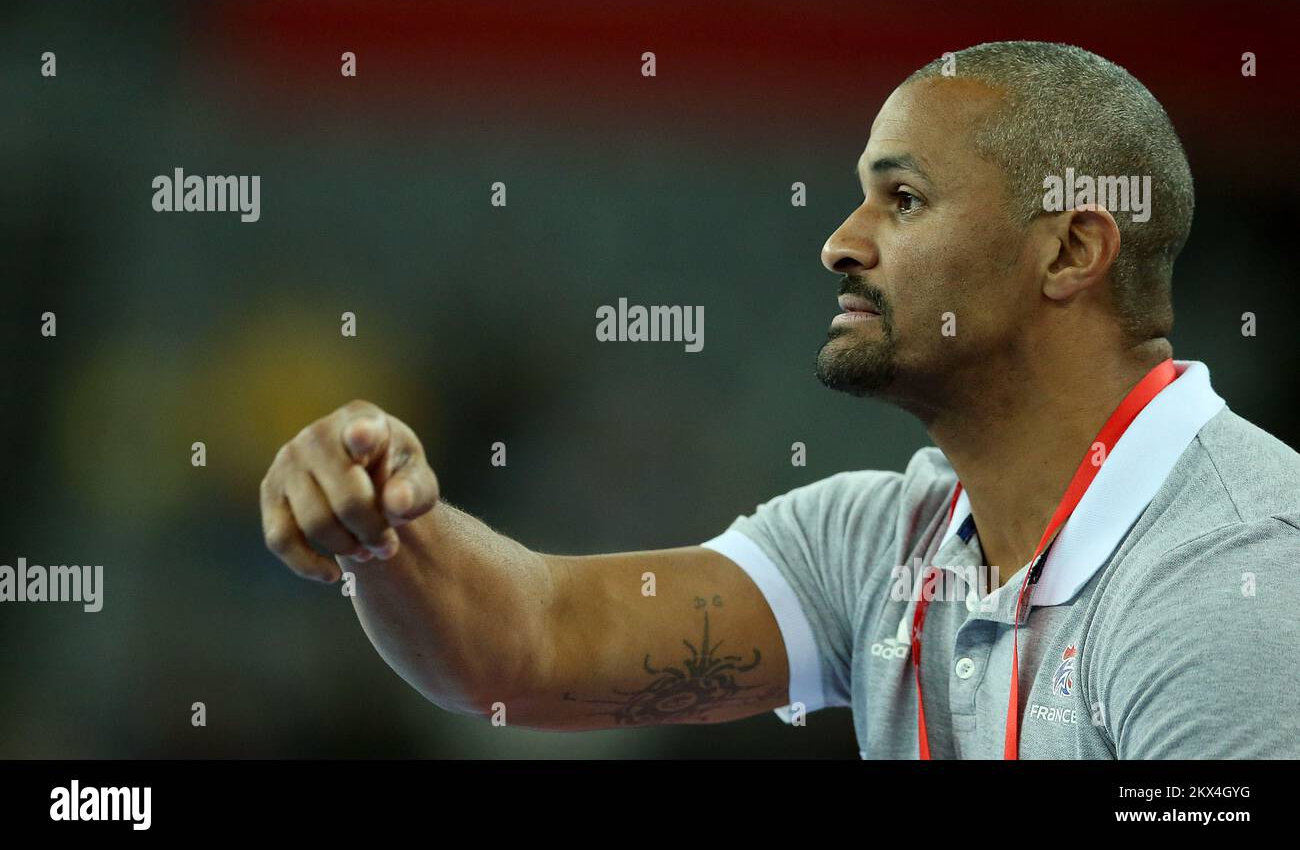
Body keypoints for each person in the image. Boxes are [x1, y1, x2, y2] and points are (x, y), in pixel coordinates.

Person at [257, 41, 1300, 758]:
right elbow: (529, 648)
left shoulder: (1241, 576)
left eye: (904, 199)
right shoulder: (877, 543)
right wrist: (386, 530)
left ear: (1070, 249)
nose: (839, 242)